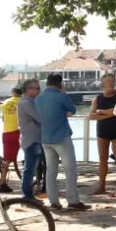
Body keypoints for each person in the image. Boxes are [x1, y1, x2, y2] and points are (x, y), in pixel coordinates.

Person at [34, 74, 89, 211]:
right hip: (61, 137)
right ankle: (73, 200)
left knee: (51, 170)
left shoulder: (38, 98)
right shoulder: (61, 96)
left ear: (46, 83)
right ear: (60, 84)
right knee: (70, 170)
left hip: (45, 138)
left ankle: (53, 200)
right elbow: (73, 110)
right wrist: (63, 93)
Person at [88, 73, 116, 196]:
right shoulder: (97, 99)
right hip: (102, 131)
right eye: (108, 80)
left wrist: (101, 112)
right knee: (102, 158)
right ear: (103, 83)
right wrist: (110, 113)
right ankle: (101, 186)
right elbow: (92, 116)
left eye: (112, 80)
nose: (110, 82)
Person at [17, 79, 44, 202]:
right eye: (36, 88)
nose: (39, 91)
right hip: (31, 140)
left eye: (39, 88)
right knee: (30, 169)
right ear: (28, 89)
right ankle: (27, 195)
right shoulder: (26, 103)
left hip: (34, 139)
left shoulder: (30, 102)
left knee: (33, 168)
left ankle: (29, 194)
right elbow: (40, 118)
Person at [0, 86, 23, 193]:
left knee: (7, 159)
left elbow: (3, 118)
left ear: (13, 92)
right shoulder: (23, 102)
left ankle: (3, 181)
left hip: (6, 132)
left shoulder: (5, 103)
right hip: (19, 132)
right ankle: (3, 182)